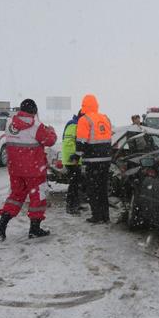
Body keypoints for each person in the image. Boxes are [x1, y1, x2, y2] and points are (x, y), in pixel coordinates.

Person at [0, 99, 57, 239]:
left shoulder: (10, 124)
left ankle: (1, 225)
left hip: (16, 170)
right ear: (34, 111)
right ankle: (35, 229)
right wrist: (51, 130)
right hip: (34, 171)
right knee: (37, 199)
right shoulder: (37, 126)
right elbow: (50, 141)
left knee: (15, 197)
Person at [74, 94, 112, 223]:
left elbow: (81, 141)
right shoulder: (105, 118)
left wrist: (76, 155)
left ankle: (96, 216)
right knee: (102, 189)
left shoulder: (84, 119)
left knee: (92, 189)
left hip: (92, 161)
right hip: (106, 160)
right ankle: (105, 216)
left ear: (84, 105)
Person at [61, 111, 83, 215]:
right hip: (73, 159)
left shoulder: (71, 123)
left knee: (76, 183)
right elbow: (79, 142)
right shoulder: (76, 126)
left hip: (71, 158)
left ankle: (76, 204)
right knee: (74, 184)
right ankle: (71, 207)